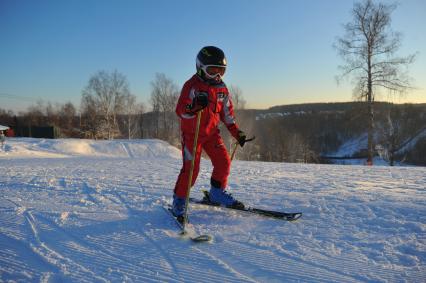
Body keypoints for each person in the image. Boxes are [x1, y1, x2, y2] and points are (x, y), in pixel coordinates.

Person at [172, 46, 248, 221]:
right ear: (200, 67)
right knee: (191, 169)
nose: (217, 75)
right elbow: (180, 110)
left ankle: (216, 192)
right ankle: (179, 200)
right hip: (193, 133)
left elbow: (227, 114)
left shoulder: (222, 88)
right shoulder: (192, 85)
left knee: (224, 162)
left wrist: (237, 133)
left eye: (221, 71)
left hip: (211, 133)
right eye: (212, 70)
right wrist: (193, 108)